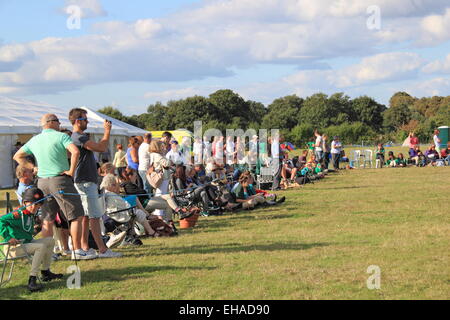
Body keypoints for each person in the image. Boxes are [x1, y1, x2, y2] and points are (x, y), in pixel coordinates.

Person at [13, 114, 95, 261]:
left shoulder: (35, 139)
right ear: (51, 123)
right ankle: (77, 251)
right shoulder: (61, 136)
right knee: (76, 215)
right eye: (57, 121)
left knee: (47, 218)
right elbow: (75, 152)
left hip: (42, 182)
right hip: (60, 180)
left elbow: (18, 156)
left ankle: (48, 254)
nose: (59, 123)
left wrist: (33, 168)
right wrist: (71, 171)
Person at [69, 108, 121, 259]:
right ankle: (102, 249)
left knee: (87, 216)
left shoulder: (79, 137)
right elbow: (101, 147)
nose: (87, 122)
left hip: (84, 181)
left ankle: (86, 247)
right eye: (85, 119)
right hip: (85, 182)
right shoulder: (79, 137)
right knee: (95, 216)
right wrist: (107, 131)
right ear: (78, 121)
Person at [0, 188, 63, 292]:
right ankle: (32, 280)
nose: (34, 207)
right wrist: (8, 237)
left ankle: (45, 272)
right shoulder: (17, 214)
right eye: (32, 203)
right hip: (12, 249)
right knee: (40, 247)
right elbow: (0, 220)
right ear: (25, 202)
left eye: (37, 204)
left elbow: (26, 230)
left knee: (50, 241)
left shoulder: (30, 215)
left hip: (25, 243)